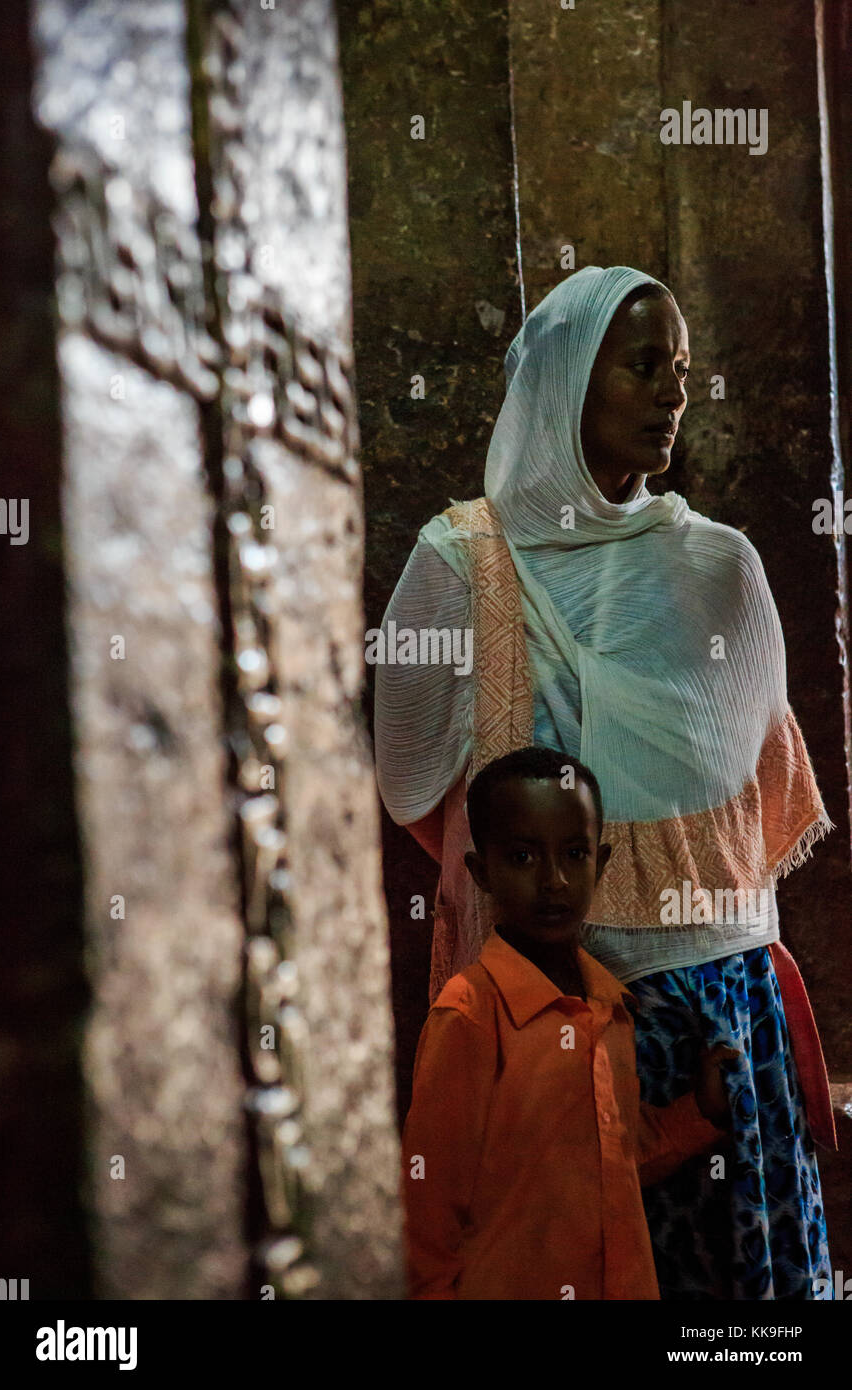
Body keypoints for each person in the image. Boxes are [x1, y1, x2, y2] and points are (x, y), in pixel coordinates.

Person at [375, 265, 835, 1299]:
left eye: (678, 369)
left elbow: (759, 793)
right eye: (640, 367)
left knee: (742, 1287)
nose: (671, 392)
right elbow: (414, 787)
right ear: (563, 381)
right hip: (558, 1016)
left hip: (725, 1007)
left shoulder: (719, 566)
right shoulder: (460, 565)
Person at [400, 746, 735, 1300]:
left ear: (599, 864)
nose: (554, 881)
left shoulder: (609, 1005)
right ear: (482, 872)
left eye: (574, 854)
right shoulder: (470, 1017)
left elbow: (613, 1160)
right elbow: (427, 1217)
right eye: (524, 858)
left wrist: (699, 1114)